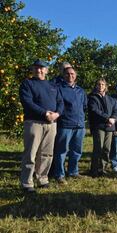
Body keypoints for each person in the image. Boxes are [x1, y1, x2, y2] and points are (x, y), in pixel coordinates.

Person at [19, 59, 64, 193]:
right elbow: (27, 102)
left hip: (51, 123)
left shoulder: (52, 85)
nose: (39, 70)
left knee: (47, 154)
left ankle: (42, 179)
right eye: (36, 68)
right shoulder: (27, 83)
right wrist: (44, 113)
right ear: (32, 70)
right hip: (34, 122)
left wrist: (57, 114)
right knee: (31, 153)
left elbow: (60, 102)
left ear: (46, 70)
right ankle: (27, 183)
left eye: (42, 68)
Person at [53, 67, 87, 184]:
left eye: (72, 74)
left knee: (77, 151)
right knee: (61, 151)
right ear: (63, 75)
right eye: (67, 74)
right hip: (65, 125)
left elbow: (84, 106)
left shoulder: (81, 90)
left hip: (80, 125)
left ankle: (73, 172)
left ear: (76, 75)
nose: (70, 76)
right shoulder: (59, 88)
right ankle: (59, 174)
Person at [88, 79, 117, 177]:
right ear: (96, 86)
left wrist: (113, 119)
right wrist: (107, 119)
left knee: (106, 149)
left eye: (102, 84)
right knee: (98, 149)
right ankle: (94, 170)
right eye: (98, 84)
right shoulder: (92, 97)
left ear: (106, 86)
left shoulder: (111, 99)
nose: (100, 86)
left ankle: (103, 169)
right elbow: (94, 110)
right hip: (99, 126)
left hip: (110, 127)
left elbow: (116, 110)